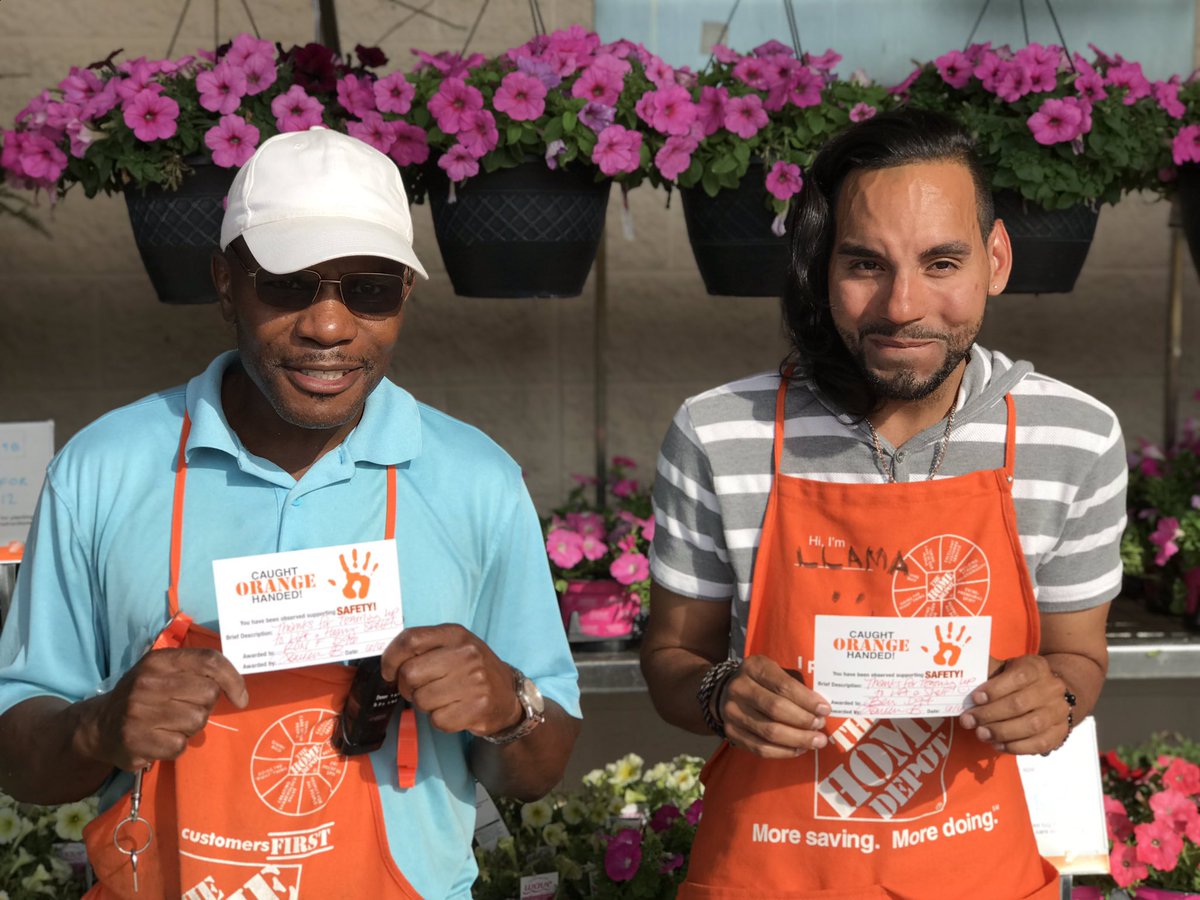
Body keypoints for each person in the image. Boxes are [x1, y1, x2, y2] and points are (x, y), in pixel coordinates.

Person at [0, 127, 581, 899]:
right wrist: (97, 725)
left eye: (368, 288)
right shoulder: (104, 470)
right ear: (224, 282)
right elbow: (20, 757)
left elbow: (541, 766)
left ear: (405, 294)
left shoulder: (476, 479)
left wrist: (509, 707)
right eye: (287, 282)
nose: (329, 326)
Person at [640, 109, 1125, 899]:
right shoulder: (720, 431)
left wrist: (1056, 697)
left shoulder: (1074, 436)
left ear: (996, 260)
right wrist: (722, 693)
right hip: (766, 873)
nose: (903, 307)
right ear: (820, 268)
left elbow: (1080, 658)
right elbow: (670, 663)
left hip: (981, 875)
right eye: (866, 265)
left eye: (942, 263)